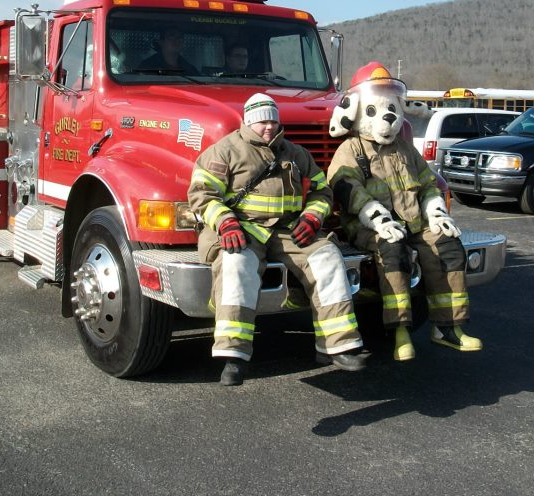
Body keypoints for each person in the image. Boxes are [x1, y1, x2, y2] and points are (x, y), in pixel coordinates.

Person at [187, 93, 367, 386]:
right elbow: (201, 193)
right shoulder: (224, 151)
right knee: (236, 266)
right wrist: (225, 222)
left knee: (327, 258)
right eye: (261, 121)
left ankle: (340, 345)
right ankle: (234, 357)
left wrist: (313, 217)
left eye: (272, 119)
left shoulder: (297, 154)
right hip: (242, 230)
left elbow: (322, 191)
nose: (268, 126)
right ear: (248, 121)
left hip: (289, 230)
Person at [327, 62, 482, 360]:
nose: (387, 117)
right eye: (375, 110)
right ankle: (399, 331)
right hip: (371, 228)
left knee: (449, 246)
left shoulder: (405, 149)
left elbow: (428, 183)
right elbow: (346, 189)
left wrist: (436, 212)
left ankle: (449, 328)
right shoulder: (352, 150)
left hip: (414, 223)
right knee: (393, 253)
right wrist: (378, 220)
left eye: (391, 108)